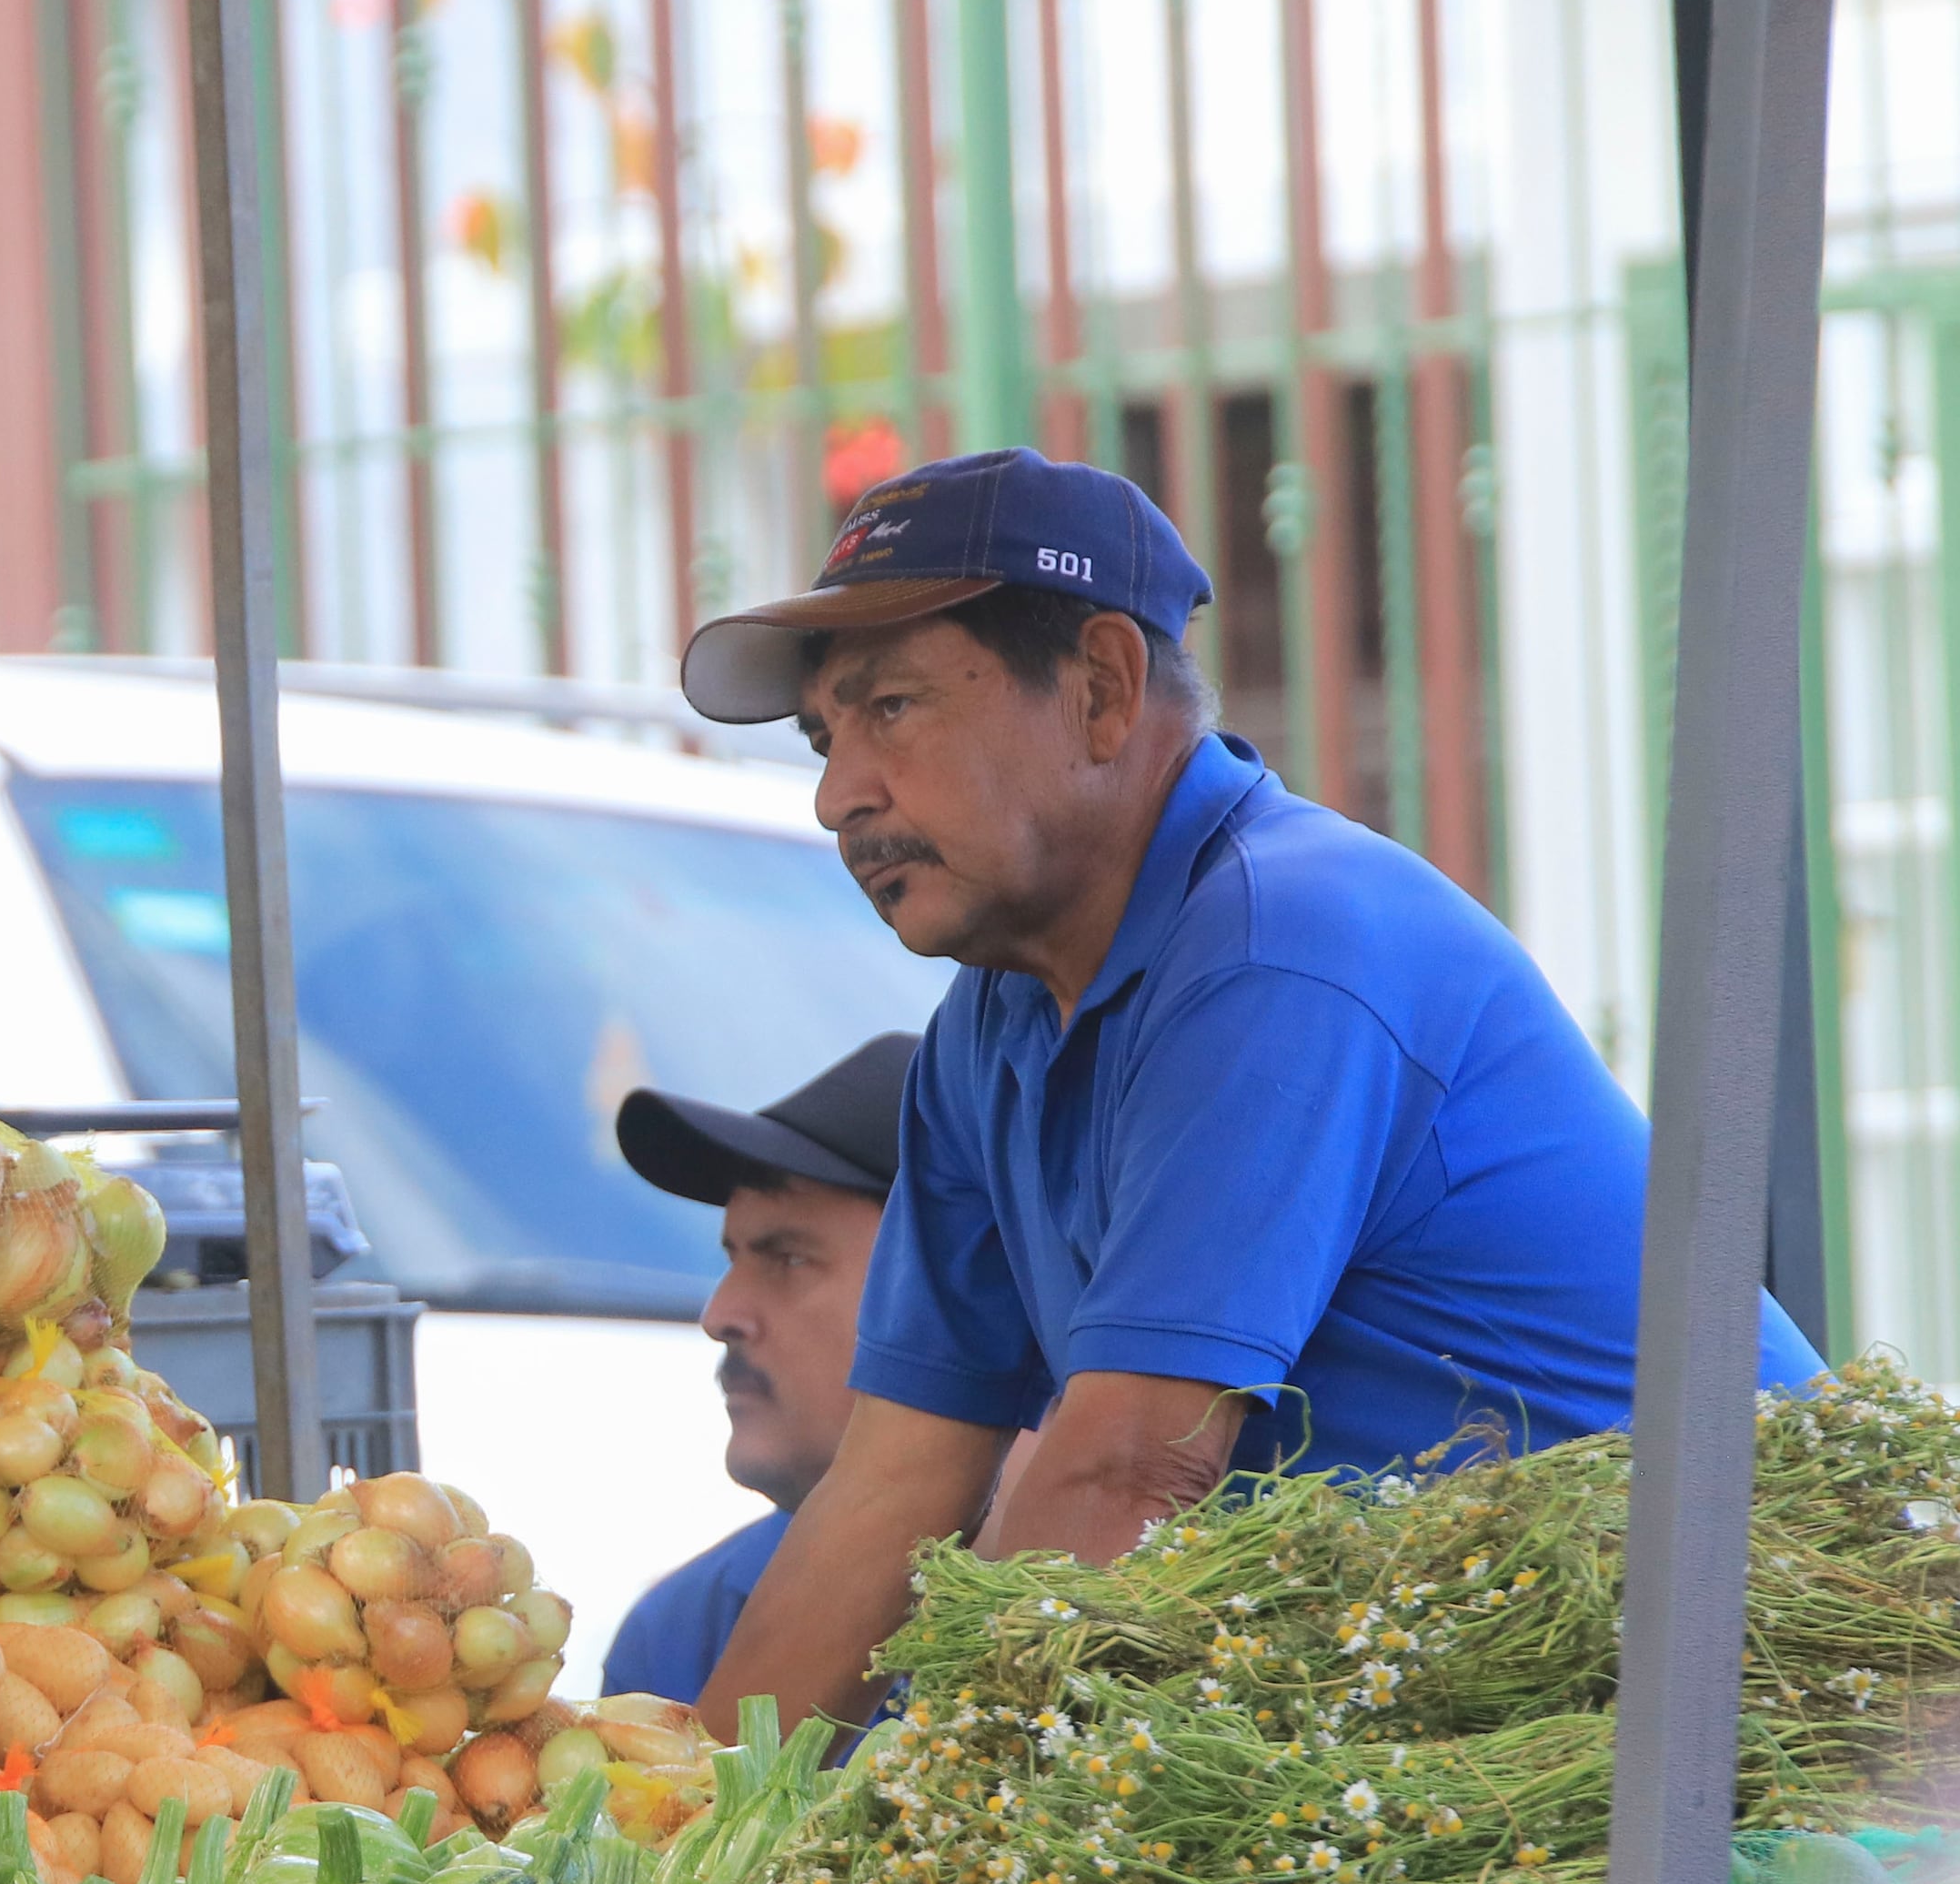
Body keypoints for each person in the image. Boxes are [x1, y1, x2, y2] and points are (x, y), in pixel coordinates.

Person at [673, 447, 1821, 1742]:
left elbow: (1125, 1469)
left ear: (1103, 688)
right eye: (826, 739)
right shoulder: (984, 1034)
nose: (838, 796)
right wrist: (675, 1839)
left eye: (891, 709)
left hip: (1734, 1680)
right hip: (1458, 1700)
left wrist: (909, 1830)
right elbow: (891, 1484)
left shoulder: (1283, 948)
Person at [593, 1033, 912, 1710]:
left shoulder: (1122, 1610)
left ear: (956, 1296)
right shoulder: (680, 1635)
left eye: (787, 1258)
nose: (720, 1313)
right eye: (733, 1257)